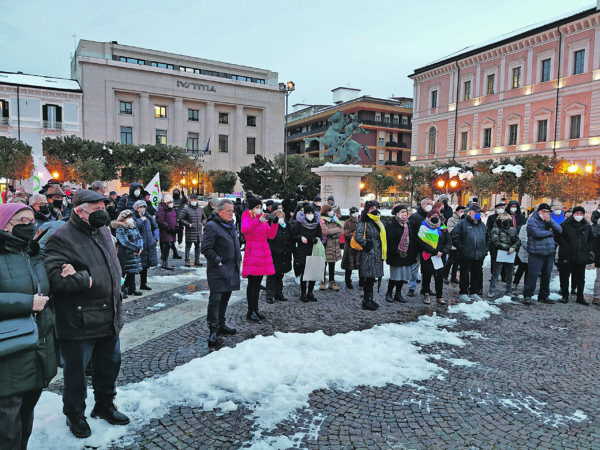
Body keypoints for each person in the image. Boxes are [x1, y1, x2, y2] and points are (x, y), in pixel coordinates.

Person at [44, 190, 129, 439]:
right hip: (79, 318)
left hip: (109, 313)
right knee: (76, 373)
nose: (102, 212)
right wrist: (85, 279)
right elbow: (54, 278)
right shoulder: (60, 237)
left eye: (103, 206)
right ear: (79, 210)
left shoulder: (103, 230)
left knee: (109, 365)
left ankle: (105, 404)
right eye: (96, 208)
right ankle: (75, 415)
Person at [0, 203, 57, 449]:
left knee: (25, 420)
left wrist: (65, 273)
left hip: (38, 347)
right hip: (8, 354)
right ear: (4, 225)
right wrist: (25, 303)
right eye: (21, 221)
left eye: (31, 221)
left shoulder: (33, 252)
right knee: (7, 425)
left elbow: (45, 289)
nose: (29, 225)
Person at [201, 199, 240, 346]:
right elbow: (206, 248)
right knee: (215, 300)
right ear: (219, 211)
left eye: (232, 211)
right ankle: (213, 329)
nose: (231, 213)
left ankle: (221, 324)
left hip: (230, 269)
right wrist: (218, 261)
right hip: (218, 270)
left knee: (225, 298)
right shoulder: (212, 226)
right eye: (228, 211)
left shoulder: (230, 225)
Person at [241, 197, 277, 321]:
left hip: (262, 254)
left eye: (260, 207)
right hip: (252, 254)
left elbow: (270, 235)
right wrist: (258, 221)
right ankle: (250, 311)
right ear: (251, 208)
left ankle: (255, 309)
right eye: (257, 207)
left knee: (257, 284)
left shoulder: (262, 218)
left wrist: (275, 223)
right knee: (252, 284)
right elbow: (245, 229)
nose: (259, 209)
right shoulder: (247, 216)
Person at [522, 203, 562, 305]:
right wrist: (550, 233)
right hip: (536, 253)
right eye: (544, 211)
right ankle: (528, 295)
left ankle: (544, 295)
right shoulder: (532, 221)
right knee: (533, 275)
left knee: (546, 276)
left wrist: (550, 221)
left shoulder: (549, 221)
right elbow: (536, 233)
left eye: (548, 212)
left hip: (549, 253)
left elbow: (559, 230)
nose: (546, 213)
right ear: (539, 211)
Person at [556, 206, 593, 305]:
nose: (579, 215)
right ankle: (565, 295)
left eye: (581, 214)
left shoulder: (587, 226)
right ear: (573, 214)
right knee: (564, 276)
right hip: (567, 255)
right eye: (577, 213)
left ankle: (580, 297)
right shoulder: (565, 224)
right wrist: (566, 246)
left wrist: (587, 248)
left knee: (580, 278)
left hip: (581, 255)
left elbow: (591, 238)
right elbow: (558, 237)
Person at [452, 205, 488, 303]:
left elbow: (487, 238)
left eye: (479, 213)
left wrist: (485, 250)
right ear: (470, 213)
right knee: (464, 274)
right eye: (476, 212)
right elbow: (455, 237)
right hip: (466, 254)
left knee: (476, 274)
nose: (478, 215)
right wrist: (461, 248)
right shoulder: (462, 224)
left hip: (479, 255)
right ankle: (463, 292)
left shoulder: (482, 225)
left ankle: (474, 292)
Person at [354, 201, 386, 311]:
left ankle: (370, 299)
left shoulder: (378, 220)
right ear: (367, 209)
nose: (374, 210)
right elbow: (358, 236)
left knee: (372, 278)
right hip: (369, 253)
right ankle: (366, 300)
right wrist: (367, 244)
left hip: (377, 253)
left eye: (375, 208)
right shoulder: (363, 221)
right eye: (371, 208)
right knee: (368, 277)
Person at [417, 208, 451, 305]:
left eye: (437, 215)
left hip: (440, 257)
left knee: (439, 277)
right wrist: (434, 251)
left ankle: (439, 296)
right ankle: (426, 295)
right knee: (427, 276)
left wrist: (443, 251)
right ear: (428, 217)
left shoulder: (443, 227)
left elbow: (449, 241)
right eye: (433, 215)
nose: (435, 217)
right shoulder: (423, 227)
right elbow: (421, 242)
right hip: (428, 256)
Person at [291, 204, 323, 302]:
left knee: (313, 273)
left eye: (311, 213)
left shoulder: (316, 224)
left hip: (313, 250)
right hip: (302, 250)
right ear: (305, 214)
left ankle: (310, 292)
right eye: (308, 213)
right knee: (304, 273)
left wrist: (315, 239)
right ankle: (303, 293)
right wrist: (300, 237)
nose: (310, 215)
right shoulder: (299, 224)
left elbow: (320, 236)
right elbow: (293, 236)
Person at [487, 213, 520, 298]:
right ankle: (491, 290)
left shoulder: (513, 229)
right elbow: (495, 241)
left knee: (509, 273)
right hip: (499, 253)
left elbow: (517, 240)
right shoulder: (496, 229)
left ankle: (509, 290)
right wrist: (508, 248)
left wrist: (513, 247)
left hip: (510, 254)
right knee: (496, 273)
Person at [112, 210, 143, 297]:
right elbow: (125, 242)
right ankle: (121, 290)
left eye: (131, 217)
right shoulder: (120, 228)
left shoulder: (133, 227)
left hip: (134, 253)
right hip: (125, 253)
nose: (130, 219)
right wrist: (136, 248)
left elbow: (140, 238)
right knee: (123, 272)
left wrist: (140, 248)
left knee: (132, 271)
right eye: (128, 217)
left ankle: (132, 288)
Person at [385, 204, 411, 303]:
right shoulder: (391, 225)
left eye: (405, 212)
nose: (404, 214)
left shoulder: (408, 225)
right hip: (395, 254)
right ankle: (389, 293)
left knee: (403, 276)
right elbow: (389, 240)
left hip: (406, 254)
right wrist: (396, 251)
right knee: (395, 276)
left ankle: (398, 294)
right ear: (396, 214)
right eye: (402, 212)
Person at [266, 208, 293, 303]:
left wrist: (289, 249)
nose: (280, 218)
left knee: (280, 275)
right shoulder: (271, 227)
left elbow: (291, 238)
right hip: (274, 254)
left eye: (282, 216)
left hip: (284, 254)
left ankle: (278, 293)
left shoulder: (287, 226)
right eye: (278, 217)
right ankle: (270, 295)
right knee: (272, 276)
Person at [406, 198, 433, 296]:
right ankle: (412, 287)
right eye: (428, 203)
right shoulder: (414, 217)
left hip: (428, 247)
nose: (430, 205)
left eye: (431, 204)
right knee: (414, 268)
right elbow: (410, 233)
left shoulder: (431, 216)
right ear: (422, 205)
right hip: (416, 247)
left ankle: (425, 288)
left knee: (426, 269)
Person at [133, 200, 159, 290]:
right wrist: (140, 221)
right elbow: (134, 229)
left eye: (144, 207)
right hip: (139, 245)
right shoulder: (134, 217)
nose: (142, 209)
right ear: (137, 208)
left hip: (149, 244)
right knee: (135, 266)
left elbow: (155, 227)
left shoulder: (148, 217)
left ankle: (143, 283)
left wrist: (155, 237)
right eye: (140, 207)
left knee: (145, 265)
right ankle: (129, 286)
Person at [319, 203, 343, 291]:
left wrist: (333, 234)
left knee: (332, 264)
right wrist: (336, 231)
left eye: (331, 210)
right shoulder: (322, 220)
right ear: (325, 211)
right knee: (324, 264)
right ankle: (322, 281)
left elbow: (341, 230)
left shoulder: (334, 219)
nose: (331, 212)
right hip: (326, 246)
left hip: (334, 245)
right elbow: (325, 231)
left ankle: (332, 282)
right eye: (329, 210)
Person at [178, 194, 204, 267]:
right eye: (191, 199)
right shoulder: (186, 209)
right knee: (188, 247)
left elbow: (204, 218)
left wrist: (202, 223)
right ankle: (187, 260)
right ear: (189, 200)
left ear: (197, 200)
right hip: (190, 231)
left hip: (198, 232)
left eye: (194, 199)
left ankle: (197, 260)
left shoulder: (200, 209)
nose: (193, 201)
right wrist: (188, 224)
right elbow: (180, 219)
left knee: (198, 246)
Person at [156, 194, 178, 270]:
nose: (171, 203)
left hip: (172, 231)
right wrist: (168, 227)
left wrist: (177, 226)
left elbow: (175, 218)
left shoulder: (172, 209)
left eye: (172, 202)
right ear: (166, 202)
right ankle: (165, 263)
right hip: (165, 231)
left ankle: (166, 262)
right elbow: (161, 220)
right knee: (166, 246)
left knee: (169, 246)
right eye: (169, 202)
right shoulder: (161, 209)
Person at [443, 206, 464, 284]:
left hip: (460, 244)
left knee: (457, 262)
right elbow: (450, 231)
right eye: (461, 211)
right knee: (450, 261)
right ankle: (445, 276)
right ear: (457, 211)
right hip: (452, 244)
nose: (462, 213)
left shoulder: (463, 220)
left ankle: (453, 277)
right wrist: (460, 225)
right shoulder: (451, 219)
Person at [341, 206, 361, 289]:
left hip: (360, 246)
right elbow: (346, 234)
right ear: (350, 214)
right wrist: (355, 234)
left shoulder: (361, 220)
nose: (355, 214)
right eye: (353, 212)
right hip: (350, 246)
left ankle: (362, 281)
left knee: (361, 265)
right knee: (349, 266)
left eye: (356, 212)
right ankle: (348, 282)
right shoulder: (347, 222)